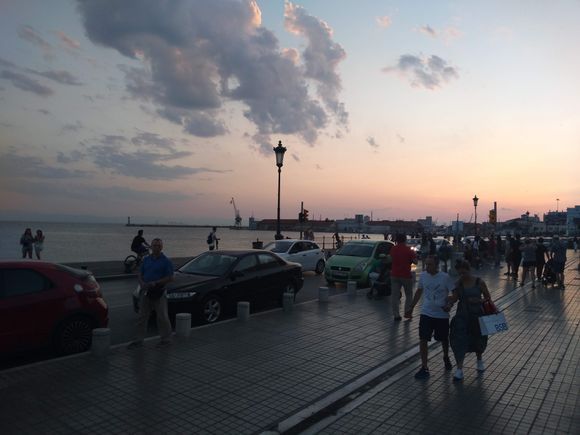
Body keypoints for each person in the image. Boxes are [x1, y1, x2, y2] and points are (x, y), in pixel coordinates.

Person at [406, 255, 455, 379]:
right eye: (426, 264)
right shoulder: (423, 276)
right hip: (426, 313)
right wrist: (411, 307)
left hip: (441, 315)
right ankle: (424, 367)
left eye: (430, 264)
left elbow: (455, 293)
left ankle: (446, 356)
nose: (427, 267)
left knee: (443, 339)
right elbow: (419, 291)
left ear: (436, 265)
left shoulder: (445, 277)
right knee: (423, 339)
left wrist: (449, 304)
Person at [448, 259, 494, 381]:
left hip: (477, 315)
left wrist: (478, 301)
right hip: (462, 316)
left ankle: (479, 360)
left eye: (464, 273)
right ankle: (459, 369)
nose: (462, 275)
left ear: (469, 270)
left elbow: (488, 298)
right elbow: (455, 298)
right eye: (460, 273)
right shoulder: (458, 283)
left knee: (478, 339)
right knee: (459, 341)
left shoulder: (479, 282)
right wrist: (448, 301)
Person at [128, 238, 174, 349]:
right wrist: (142, 283)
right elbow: (140, 273)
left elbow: (170, 278)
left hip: (159, 292)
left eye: (158, 246)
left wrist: (156, 282)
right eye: (154, 245)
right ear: (151, 247)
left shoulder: (166, 261)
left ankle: (166, 340)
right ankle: (138, 341)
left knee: (162, 317)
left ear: (162, 247)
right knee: (142, 317)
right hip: (146, 291)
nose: (156, 247)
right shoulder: (146, 260)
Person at [390, 233, 418, 321]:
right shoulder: (409, 250)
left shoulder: (393, 249)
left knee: (394, 295)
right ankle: (407, 313)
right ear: (405, 240)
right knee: (409, 295)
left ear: (396, 240)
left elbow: (391, 259)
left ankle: (396, 315)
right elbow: (416, 262)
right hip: (406, 275)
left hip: (394, 275)